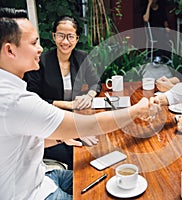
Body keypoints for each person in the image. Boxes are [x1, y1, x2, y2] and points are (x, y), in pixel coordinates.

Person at [0, 8, 150, 200]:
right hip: (31, 194)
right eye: (34, 42)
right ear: (10, 50)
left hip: (43, 177)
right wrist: (137, 109)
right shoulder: (15, 100)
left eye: (70, 36)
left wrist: (64, 135)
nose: (40, 48)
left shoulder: (12, 90)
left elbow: (26, 139)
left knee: (104, 178)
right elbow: (89, 125)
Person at [24, 15, 101, 170]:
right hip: (47, 120)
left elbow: (96, 83)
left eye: (70, 36)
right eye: (60, 35)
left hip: (74, 116)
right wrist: (68, 104)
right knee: (79, 152)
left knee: (97, 144)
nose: (65, 42)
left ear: (77, 38)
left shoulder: (82, 57)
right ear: (53, 36)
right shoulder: (41, 61)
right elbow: (33, 98)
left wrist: (89, 95)